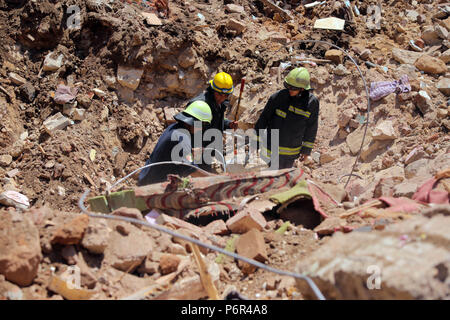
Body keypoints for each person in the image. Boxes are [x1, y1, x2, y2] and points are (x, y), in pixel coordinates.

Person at [254, 67, 319, 169]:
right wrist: (255, 141)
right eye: (288, 86)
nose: (289, 90)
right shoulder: (278, 98)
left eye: (293, 88)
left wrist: (306, 151)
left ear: (302, 89)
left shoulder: (311, 103)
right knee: (271, 179)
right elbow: (263, 120)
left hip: (290, 153)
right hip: (271, 150)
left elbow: (311, 128)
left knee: (283, 179)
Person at [138, 101, 213, 186]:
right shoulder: (182, 137)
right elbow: (191, 169)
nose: (202, 129)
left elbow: (174, 151)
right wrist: (215, 178)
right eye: (203, 124)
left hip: (145, 177)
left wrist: (191, 151)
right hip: (154, 186)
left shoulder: (175, 127)